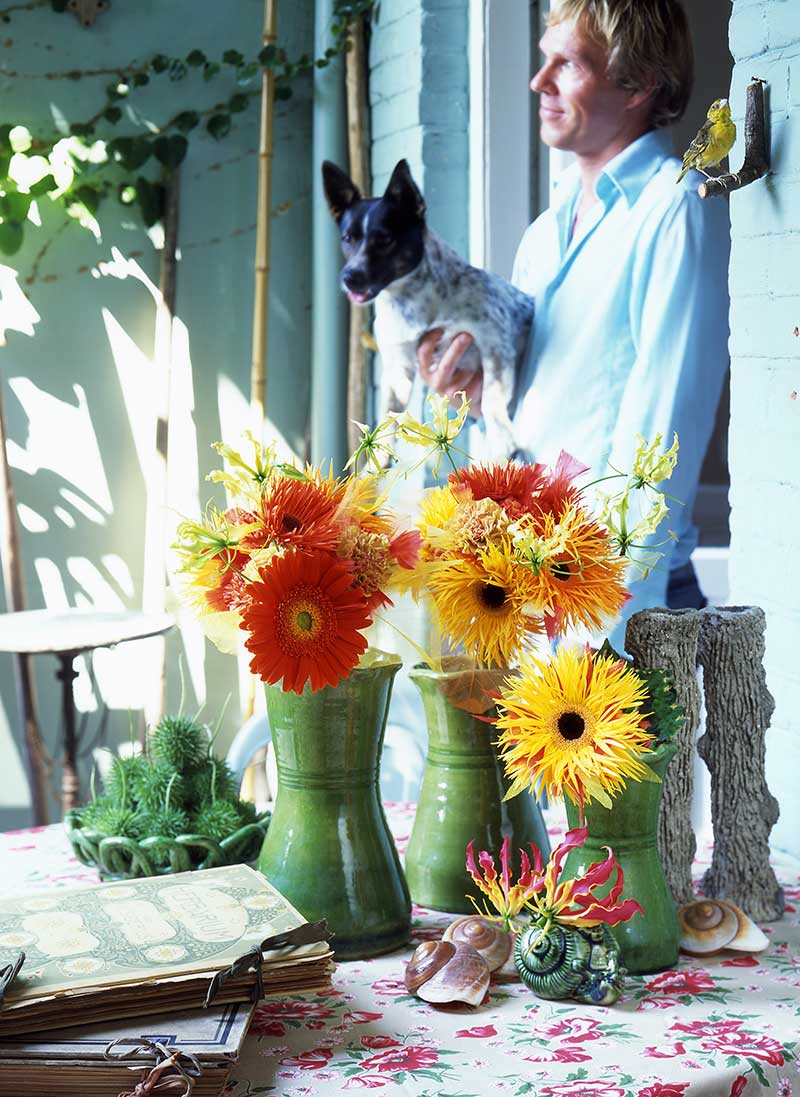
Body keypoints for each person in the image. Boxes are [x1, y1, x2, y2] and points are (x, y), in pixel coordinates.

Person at [417, 0, 731, 634]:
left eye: (569, 65)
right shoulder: (543, 234)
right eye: (543, 60)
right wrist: (481, 397)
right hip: (539, 590)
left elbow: (660, 441)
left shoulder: (675, 210)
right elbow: (546, 413)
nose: (540, 82)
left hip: (625, 607)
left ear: (640, 84)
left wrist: (602, 632)